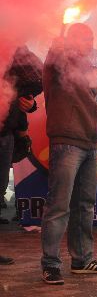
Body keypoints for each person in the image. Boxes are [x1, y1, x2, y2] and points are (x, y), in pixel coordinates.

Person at [40, 23, 97, 285]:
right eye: (84, 38)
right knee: (59, 206)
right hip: (67, 142)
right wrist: (59, 35)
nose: (90, 42)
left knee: (84, 205)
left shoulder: (91, 70)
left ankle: (82, 260)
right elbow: (54, 55)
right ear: (70, 40)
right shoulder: (57, 63)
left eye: (92, 37)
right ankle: (50, 264)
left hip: (89, 144)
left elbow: (96, 103)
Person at [0, 46, 42, 224]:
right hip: (8, 127)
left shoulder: (17, 49)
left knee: (1, 179)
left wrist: (29, 101)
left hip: (6, 128)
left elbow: (40, 78)